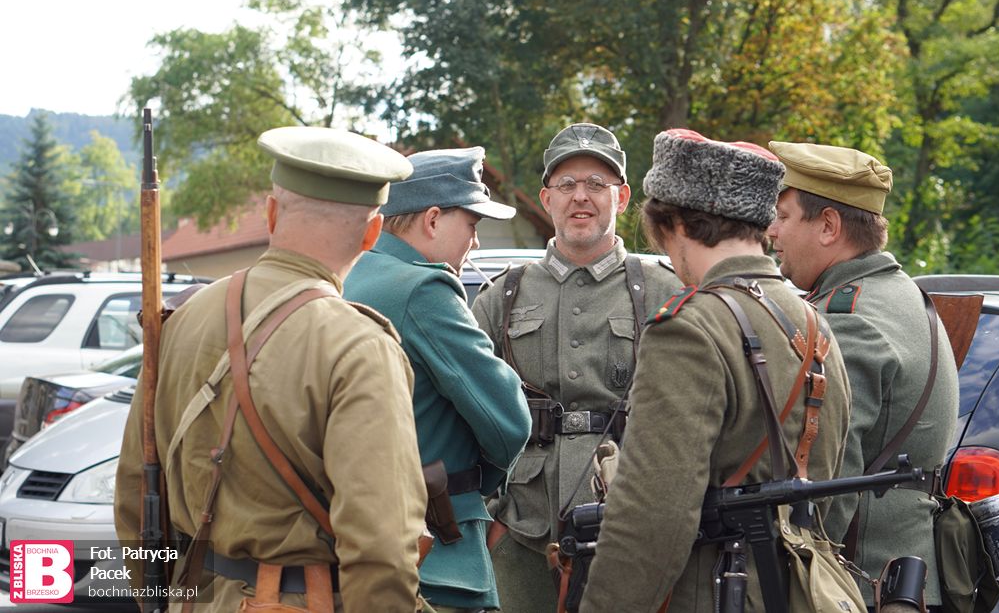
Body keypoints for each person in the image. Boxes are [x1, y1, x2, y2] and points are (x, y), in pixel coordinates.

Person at [114, 127, 427, 612]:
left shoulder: (181, 320)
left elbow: (136, 493)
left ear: (271, 212)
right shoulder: (359, 345)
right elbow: (381, 546)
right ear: (372, 233)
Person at [580, 128, 852, 612]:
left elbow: (650, 518)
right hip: (798, 593)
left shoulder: (690, 329)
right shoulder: (814, 323)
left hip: (710, 592)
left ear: (677, 223)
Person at [471, 122, 679, 611]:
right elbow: (462, 409)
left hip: (629, 518)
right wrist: (489, 514)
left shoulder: (662, 290)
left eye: (596, 185)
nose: (580, 197)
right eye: (567, 185)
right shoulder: (505, 293)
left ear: (622, 198)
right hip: (521, 523)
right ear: (546, 199)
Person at [766, 140, 959, 607]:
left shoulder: (849, 319)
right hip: (899, 580)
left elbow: (826, 492)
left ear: (828, 226)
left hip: (856, 585)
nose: (771, 232)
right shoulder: (900, 295)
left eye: (784, 216)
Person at [344, 146, 531, 613]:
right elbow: (509, 419)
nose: (476, 243)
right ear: (432, 220)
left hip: (355, 545)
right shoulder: (425, 289)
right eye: (471, 225)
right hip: (435, 550)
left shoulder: (346, 277)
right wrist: (479, 478)